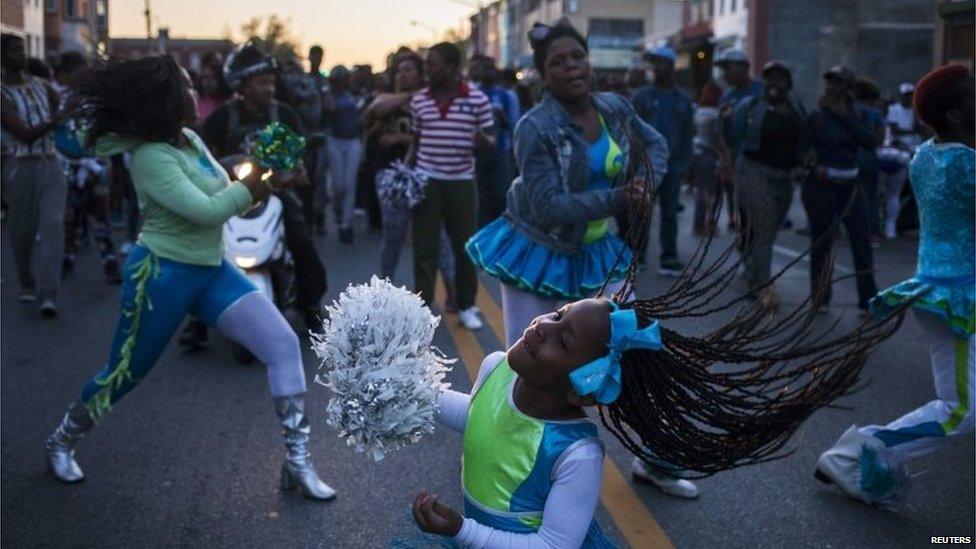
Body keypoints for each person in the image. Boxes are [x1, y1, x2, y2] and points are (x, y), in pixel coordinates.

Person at [42, 56, 336, 501]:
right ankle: (61, 440)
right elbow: (208, 211)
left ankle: (298, 462)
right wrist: (266, 184)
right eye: (186, 88)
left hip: (212, 269)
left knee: (282, 345)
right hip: (161, 274)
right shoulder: (149, 157)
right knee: (125, 373)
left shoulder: (191, 140)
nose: (196, 93)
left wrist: (265, 173)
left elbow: (222, 192)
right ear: (164, 101)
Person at [463, 20, 698, 499]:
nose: (572, 67)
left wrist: (644, 180)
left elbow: (655, 144)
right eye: (558, 62)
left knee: (631, 351)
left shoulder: (614, 107)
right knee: (525, 362)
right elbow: (549, 204)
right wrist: (620, 197)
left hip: (596, 251)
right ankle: (502, 451)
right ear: (541, 75)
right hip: (540, 250)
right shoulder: (535, 127)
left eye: (577, 57)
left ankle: (652, 457)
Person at [816, 64, 974, 506]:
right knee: (961, 410)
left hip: (941, 290)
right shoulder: (966, 164)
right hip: (957, 300)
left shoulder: (927, 153)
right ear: (958, 117)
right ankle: (863, 449)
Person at [199, 39, 328, 334]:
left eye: (271, 82)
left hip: (277, 194)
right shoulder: (223, 116)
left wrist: (298, 170)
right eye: (260, 83)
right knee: (205, 250)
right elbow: (203, 157)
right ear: (242, 86)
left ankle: (310, 306)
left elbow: (301, 152)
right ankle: (198, 318)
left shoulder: (284, 114)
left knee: (302, 242)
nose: (268, 88)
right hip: (232, 198)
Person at [363, 51, 458, 308]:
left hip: (426, 174)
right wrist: (409, 96)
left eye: (409, 70)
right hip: (391, 175)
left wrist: (402, 139)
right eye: (399, 71)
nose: (403, 75)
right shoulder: (387, 98)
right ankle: (383, 293)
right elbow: (375, 109)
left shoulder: (431, 103)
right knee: (393, 235)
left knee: (438, 235)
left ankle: (453, 292)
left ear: (421, 75)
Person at [410, 42, 494, 330]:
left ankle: (467, 305)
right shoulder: (419, 100)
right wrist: (406, 175)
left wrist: (484, 142)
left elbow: (491, 139)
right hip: (427, 179)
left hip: (461, 181)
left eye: (432, 64)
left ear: (451, 67)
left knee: (465, 247)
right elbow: (416, 139)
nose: (427, 69)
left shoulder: (477, 99)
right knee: (425, 248)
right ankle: (421, 311)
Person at [727, 61, 810, 310]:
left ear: (788, 83)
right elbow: (733, 136)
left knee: (765, 230)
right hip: (754, 171)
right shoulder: (750, 107)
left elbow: (804, 139)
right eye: (768, 78)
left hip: (783, 176)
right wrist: (730, 169)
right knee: (762, 228)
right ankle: (764, 286)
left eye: (779, 79)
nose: (774, 84)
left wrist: (803, 162)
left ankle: (753, 271)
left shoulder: (796, 108)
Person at [1, 34, 68, 317]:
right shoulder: (2, 95)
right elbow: (24, 134)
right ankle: (27, 281)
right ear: (2, 58)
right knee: (22, 234)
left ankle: (48, 293)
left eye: (23, 49)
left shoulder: (42, 85)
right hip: (20, 165)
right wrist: (57, 120)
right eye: (16, 50)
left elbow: (59, 108)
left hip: (50, 162)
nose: (23, 54)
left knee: (52, 224)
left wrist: (63, 117)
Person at [803, 66, 878, 313]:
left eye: (839, 83)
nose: (833, 88)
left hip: (851, 185)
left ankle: (868, 300)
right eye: (830, 83)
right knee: (822, 241)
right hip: (822, 185)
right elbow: (803, 149)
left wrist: (845, 116)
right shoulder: (816, 115)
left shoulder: (858, 115)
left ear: (848, 88)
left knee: (861, 241)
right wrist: (813, 165)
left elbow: (869, 142)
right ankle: (820, 297)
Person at [54, 50, 122, 284]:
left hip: (95, 166)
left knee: (99, 216)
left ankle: (109, 262)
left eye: (84, 71)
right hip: (66, 165)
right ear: (64, 75)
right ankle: (67, 259)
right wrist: (65, 112)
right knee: (69, 217)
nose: (81, 77)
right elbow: (52, 127)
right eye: (75, 72)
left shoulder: (95, 99)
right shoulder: (57, 96)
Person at [631, 45, 694, 275]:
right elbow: (631, 131)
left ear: (671, 66)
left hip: (673, 165)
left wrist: (687, 165)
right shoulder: (641, 96)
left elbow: (688, 133)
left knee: (669, 213)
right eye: (654, 63)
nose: (656, 67)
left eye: (661, 62)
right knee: (641, 212)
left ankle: (669, 257)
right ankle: (637, 258)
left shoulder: (683, 100)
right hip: (645, 165)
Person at [715, 48, 763, 231]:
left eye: (728, 67)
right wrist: (725, 163)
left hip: (762, 160)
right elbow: (720, 134)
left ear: (744, 67)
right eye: (723, 68)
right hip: (737, 160)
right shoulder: (727, 98)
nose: (725, 73)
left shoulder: (762, 90)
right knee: (741, 205)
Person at [469, 54, 518, 227]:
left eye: (490, 68)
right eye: (484, 68)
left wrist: (501, 116)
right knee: (480, 197)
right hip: (476, 153)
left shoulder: (506, 95)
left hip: (500, 151)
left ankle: (500, 231)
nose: (487, 72)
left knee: (500, 194)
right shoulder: (473, 93)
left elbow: (514, 125)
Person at [323, 65, 363, 243]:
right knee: (338, 184)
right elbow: (330, 109)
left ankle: (346, 224)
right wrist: (327, 89)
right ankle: (338, 210)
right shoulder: (329, 94)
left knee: (350, 183)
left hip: (353, 140)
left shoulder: (354, 94)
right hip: (335, 140)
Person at [878, 82, 922, 240]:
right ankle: (884, 225)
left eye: (911, 95)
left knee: (894, 194)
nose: (909, 98)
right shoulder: (893, 110)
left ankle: (891, 227)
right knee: (886, 192)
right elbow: (894, 130)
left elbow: (920, 129)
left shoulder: (915, 111)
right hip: (896, 151)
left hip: (911, 151)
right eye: (906, 95)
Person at [688, 81, 731, 238]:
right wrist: (725, 160)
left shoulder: (697, 112)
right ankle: (704, 225)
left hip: (695, 153)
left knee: (701, 190)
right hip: (709, 154)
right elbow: (718, 138)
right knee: (711, 192)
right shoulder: (715, 114)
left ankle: (700, 224)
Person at [853, 77, 886, 246]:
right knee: (871, 197)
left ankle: (845, 231)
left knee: (846, 195)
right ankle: (874, 233)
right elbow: (880, 138)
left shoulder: (848, 109)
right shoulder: (875, 113)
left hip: (850, 158)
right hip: (870, 158)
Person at [306, 44, 331, 235]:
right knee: (306, 174)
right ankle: (308, 216)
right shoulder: (302, 80)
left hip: (322, 131)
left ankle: (319, 214)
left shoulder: (325, 81)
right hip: (305, 132)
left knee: (320, 175)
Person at [196, 53, 231, 124]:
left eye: (213, 78)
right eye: (205, 77)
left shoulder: (229, 103)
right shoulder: (197, 101)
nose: (208, 82)